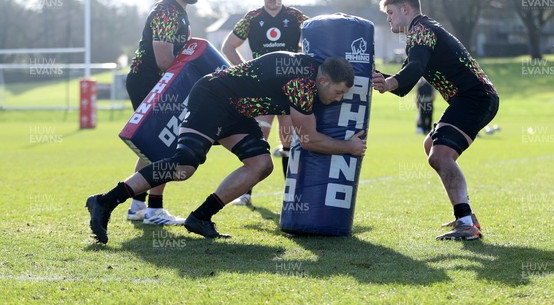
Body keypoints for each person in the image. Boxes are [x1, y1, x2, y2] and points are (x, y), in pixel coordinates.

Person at [86, 52, 367, 244]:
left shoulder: (316, 68)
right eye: (338, 92)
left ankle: (200, 218)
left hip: (237, 110)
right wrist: (349, 147)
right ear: (322, 81)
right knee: (184, 166)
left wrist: (379, 76)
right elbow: (310, 139)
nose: (338, 98)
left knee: (262, 164)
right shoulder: (303, 84)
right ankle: (105, 201)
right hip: (213, 96)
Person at [372, 0, 499, 241]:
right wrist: (380, 79)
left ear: (405, 8)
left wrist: (387, 82)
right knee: (431, 144)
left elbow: (413, 69)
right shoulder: (421, 32)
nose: (388, 19)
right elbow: (406, 82)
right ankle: (466, 215)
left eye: (391, 13)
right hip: (472, 98)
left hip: (474, 98)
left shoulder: (421, 31)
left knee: (440, 155)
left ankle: (465, 223)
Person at [221, 0, 309, 206]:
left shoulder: (296, 17)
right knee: (259, 138)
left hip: (291, 86)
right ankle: (246, 194)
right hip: (262, 87)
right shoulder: (252, 18)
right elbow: (228, 47)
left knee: (289, 138)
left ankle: (292, 195)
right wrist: (246, 72)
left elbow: (316, 36)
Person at [123, 0, 198, 225]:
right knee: (165, 145)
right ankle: (154, 210)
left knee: (151, 147)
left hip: (154, 82)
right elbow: (165, 61)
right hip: (149, 81)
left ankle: (136, 207)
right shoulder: (167, 12)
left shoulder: (179, 12)